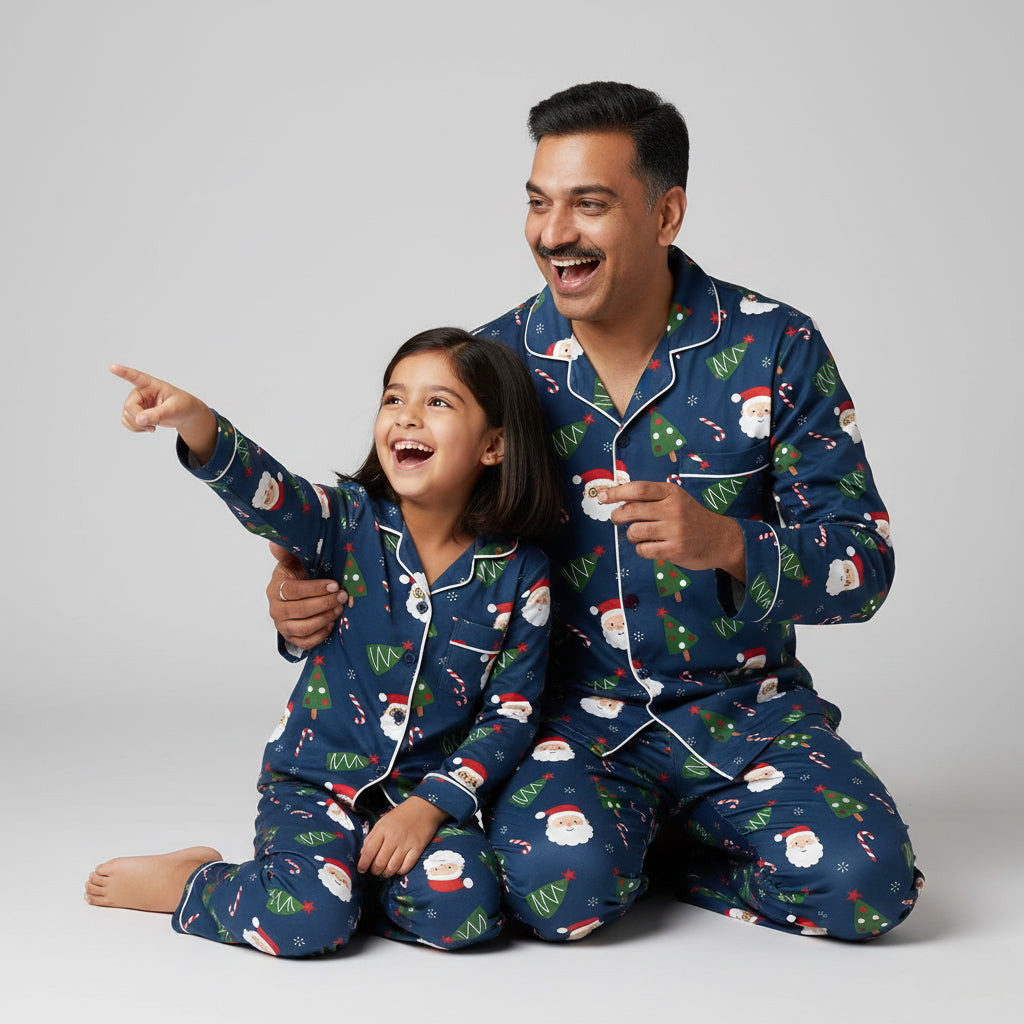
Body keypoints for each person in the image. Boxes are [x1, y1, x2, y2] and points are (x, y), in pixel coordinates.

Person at [267, 82, 923, 942]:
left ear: (666, 213)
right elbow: (395, 544)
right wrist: (301, 605)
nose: (553, 233)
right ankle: (622, 856)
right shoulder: (492, 365)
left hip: (745, 716)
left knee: (868, 892)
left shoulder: (775, 344)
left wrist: (728, 542)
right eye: (539, 203)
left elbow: (863, 569)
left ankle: (658, 858)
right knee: (556, 895)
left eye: (590, 204)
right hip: (564, 725)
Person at [85, 328, 562, 957]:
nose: (407, 417)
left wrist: (429, 807)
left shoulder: (520, 572)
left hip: (418, 798)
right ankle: (195, 883)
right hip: (315, 786)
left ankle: (342, 889)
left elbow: (511, 715)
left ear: (494, 445)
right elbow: (268, 492)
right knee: (306, 921)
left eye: (439, 403)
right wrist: (198, 424)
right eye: (394, 400)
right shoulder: (343, 521)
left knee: (466, 914)